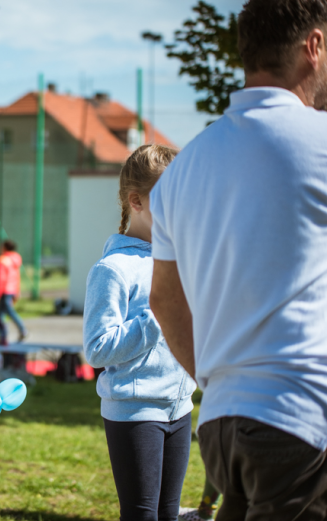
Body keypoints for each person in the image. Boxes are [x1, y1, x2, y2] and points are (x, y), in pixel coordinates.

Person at [148, 1, 327, 519]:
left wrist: (217, 377)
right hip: (302, 420)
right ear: (313, 47)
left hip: (224, 422)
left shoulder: (186, 165)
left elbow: (163, 297)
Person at [83, 144, 196, 521]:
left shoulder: (180, 260)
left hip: (180, 407)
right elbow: (97, 349)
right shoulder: (113, 269)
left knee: (169, 514)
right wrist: (157, 316)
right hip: (135, 412)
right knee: (142, 514)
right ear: (136, 201)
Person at [0, 240, 26, 342]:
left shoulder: (3, 259)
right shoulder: (16, 259)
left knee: (9, 311)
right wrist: (17, 291)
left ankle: (22, 329)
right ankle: (1, 334)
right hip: (12, 289)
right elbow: (17, 277)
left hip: (5, 290)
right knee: (1, 313)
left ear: (5, 248)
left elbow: (1, 278)